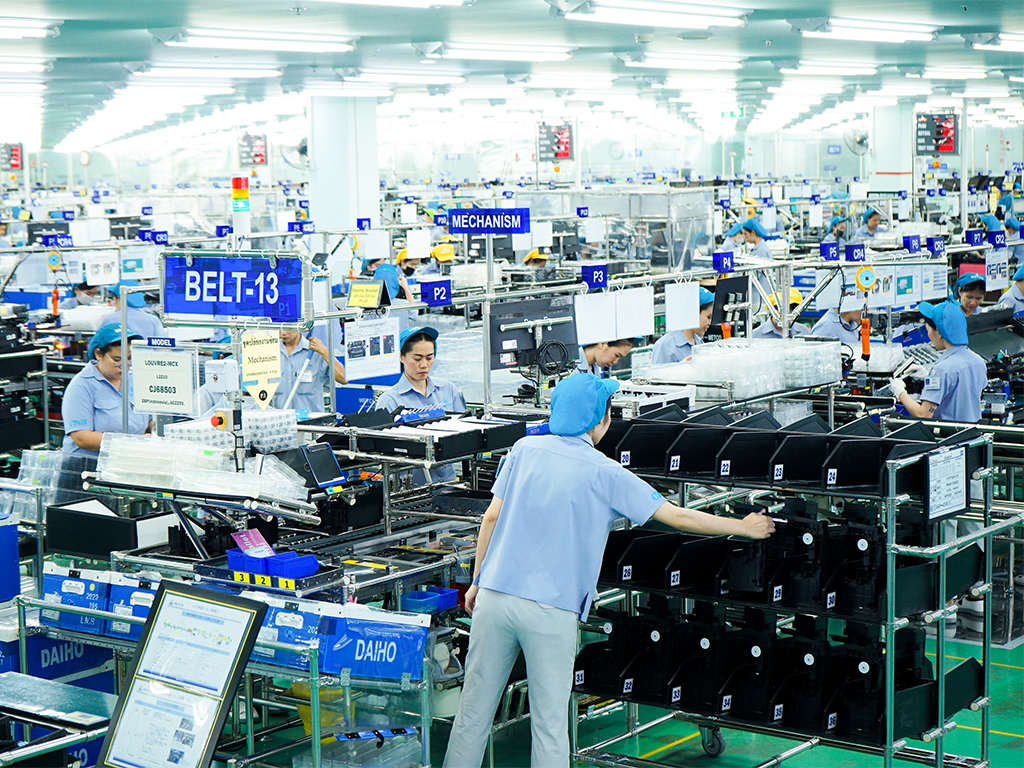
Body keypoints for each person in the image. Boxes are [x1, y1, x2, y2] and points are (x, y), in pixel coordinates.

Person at [441, 374, 774, 768]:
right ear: (602, 419)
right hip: (551, 610)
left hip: (496, 597)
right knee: (549, 726)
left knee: (473, 713)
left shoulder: (524, 449)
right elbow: (678, 517)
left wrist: (477, 582)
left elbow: (491, 518)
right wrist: (743, 526)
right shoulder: (606, 472)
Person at [375, 326, 467, 484]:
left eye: (429, 358)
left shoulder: (448, 389)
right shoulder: (389, 400)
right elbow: (381, 454)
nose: (424, 365)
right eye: (417, 359)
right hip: (408, 489)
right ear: (401, 357)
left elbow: (465, 433)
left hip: (448, 483)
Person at [61, 323, 152, 458]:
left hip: (128, 459)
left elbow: (149, 420)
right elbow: (82, 437)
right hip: (89, 464)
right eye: (117, 360)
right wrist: (132, 444)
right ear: (98, 354)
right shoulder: (82, 386)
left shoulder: (135, 379)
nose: (124, 366)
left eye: (129, 358)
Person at [272, 329, 346, 414]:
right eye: (280, 328)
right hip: (280, 420)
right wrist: (270, 409)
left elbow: (343, 378)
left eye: (288, 328)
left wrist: (324, 351)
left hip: (310, 420)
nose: (283, 333)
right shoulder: (269, 352)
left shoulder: (316, 350)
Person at [650, 286, 714, 364]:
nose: (710, 323)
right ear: (693, 313)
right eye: (708, 317)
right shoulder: (665, 346)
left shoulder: (698, 342)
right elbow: (657, 372)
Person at [101, 280, 165, 339]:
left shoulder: (110, 319)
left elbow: (99, 343)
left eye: (114, 298)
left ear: (119, 298)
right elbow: (163, 344)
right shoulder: (153, 320)